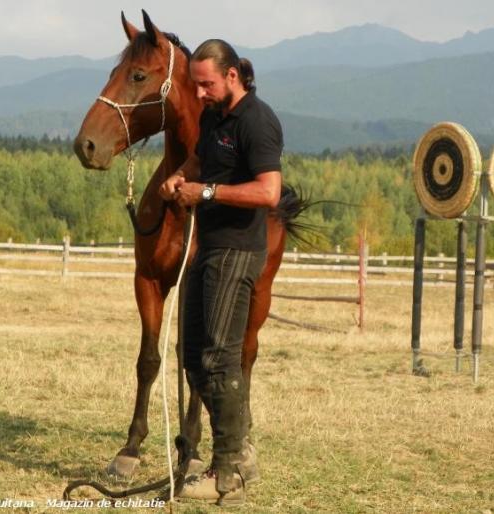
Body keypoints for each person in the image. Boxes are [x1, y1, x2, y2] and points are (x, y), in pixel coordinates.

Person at [158, 39, 283, 506]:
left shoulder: (258, 121)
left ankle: (230, 467)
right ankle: (240, 447)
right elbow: (201, 161)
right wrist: (181, 175)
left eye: (207, 84)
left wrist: (206, 194)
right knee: (194, 356)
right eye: (197, 85)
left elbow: (269, 192)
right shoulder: (213, 117)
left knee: (219, 358)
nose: (202, 93)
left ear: (232, 76)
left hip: (237, 250)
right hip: (206, 247)